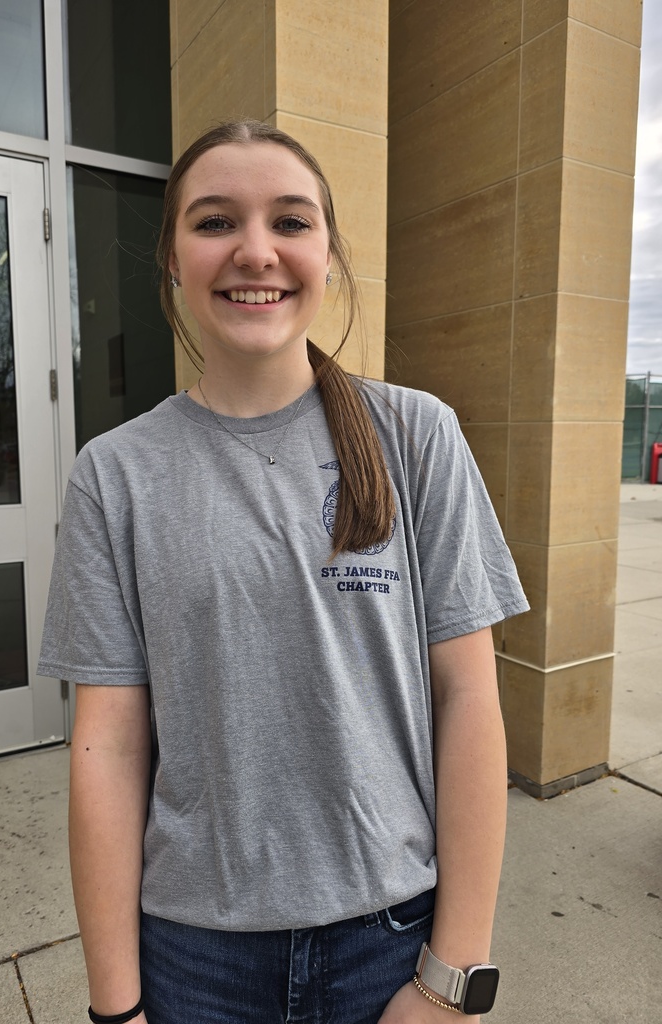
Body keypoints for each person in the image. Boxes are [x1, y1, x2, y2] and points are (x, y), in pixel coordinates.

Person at [38, 119, 528, 1024]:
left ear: (330, 255)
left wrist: (453, 978)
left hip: (389, 940)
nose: (254, 251)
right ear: (173, 260)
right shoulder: (116, 474)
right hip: (191, 954)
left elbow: (469, 700)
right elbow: (107, 747)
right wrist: (117, 1007)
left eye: (291, 222)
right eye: (216, 221)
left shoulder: (416, 437)